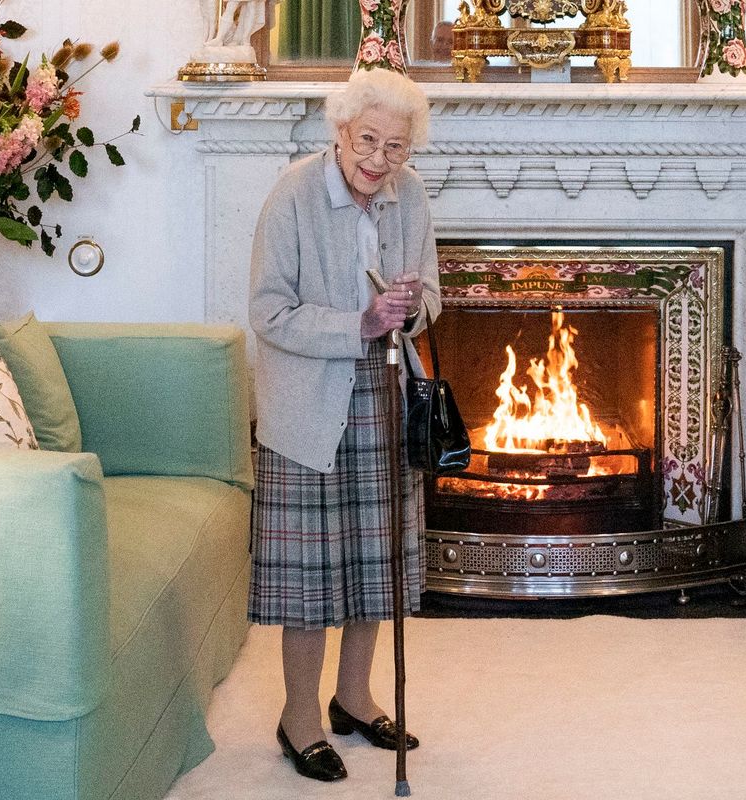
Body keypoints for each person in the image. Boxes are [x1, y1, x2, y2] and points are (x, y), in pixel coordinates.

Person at [247, 68, 437, 783]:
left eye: (395, 147)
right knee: (310, 578)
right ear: (340, 131)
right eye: (368, 141)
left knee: (373, 563)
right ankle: (298, 717)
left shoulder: (409, 194)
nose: (380, 161)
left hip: (385, 395)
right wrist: (358, 323)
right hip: (307, 404)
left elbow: (433, 294)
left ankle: (352, 698)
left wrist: (411, 306)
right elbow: (267, 312)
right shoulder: (295, 193)